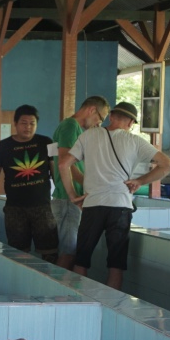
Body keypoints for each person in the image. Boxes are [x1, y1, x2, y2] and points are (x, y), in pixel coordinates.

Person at [58, 101, 170, 290]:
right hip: (121, 205)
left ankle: (80, 301)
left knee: (82, 259)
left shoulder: (88, 136)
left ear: (111, 117)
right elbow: (168, 165)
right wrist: (140, 181)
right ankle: (113, 306)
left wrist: (72, 195)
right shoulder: (135, 141)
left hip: (93, 204)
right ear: (131, 123)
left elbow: (63, 165)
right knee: (116, 264)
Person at [0, 104, 58, 262]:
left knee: (50, 252)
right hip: (15, 209)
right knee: (17, 253)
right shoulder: (3, 146)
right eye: (24, 123)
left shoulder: (48, 142)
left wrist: (64, 195)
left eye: (32, 123)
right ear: (15, 124)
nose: (28, 127)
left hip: (42, 207)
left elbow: (56, 170)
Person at [50, 96, 111, 269]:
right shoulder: (70, 126)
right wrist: (79, 191)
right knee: (68, 253)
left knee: (70, 251)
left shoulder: (72, 128)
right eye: (100, 118)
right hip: (70, 200)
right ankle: (60, 293)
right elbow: (65, 164)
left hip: (69, 197)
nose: (99, 123)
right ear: (92, 110)